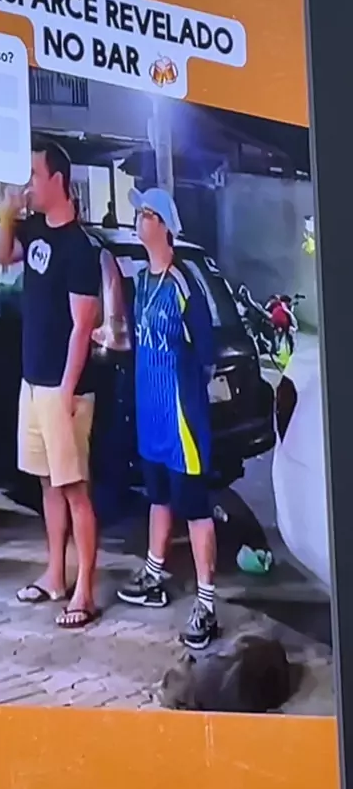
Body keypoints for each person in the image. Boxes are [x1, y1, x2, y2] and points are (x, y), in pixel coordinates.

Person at [0, 137, 101, 629]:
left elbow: (84, 325)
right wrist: (7, 213)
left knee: (75, 488)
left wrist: (68, 389)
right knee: (47, 483)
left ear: (58, 180)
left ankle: (85, 591)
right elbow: (2, 255)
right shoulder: (34, 229)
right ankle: (55, 574)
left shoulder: (79, 247)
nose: (30, 184)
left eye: (35, 175)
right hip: (32, 381)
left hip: (62, 387)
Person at [117, 187, 218, 650]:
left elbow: (206, 352)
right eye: (138, 213)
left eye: (148, 213)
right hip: (150, 414)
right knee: (157, 496)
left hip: (181, 420)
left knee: (194, 507)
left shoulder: (183, 283)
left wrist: (190, 395)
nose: (139, 220)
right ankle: (154, 575)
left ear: (165, 226)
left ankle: (207, 603)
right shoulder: (140, 281)